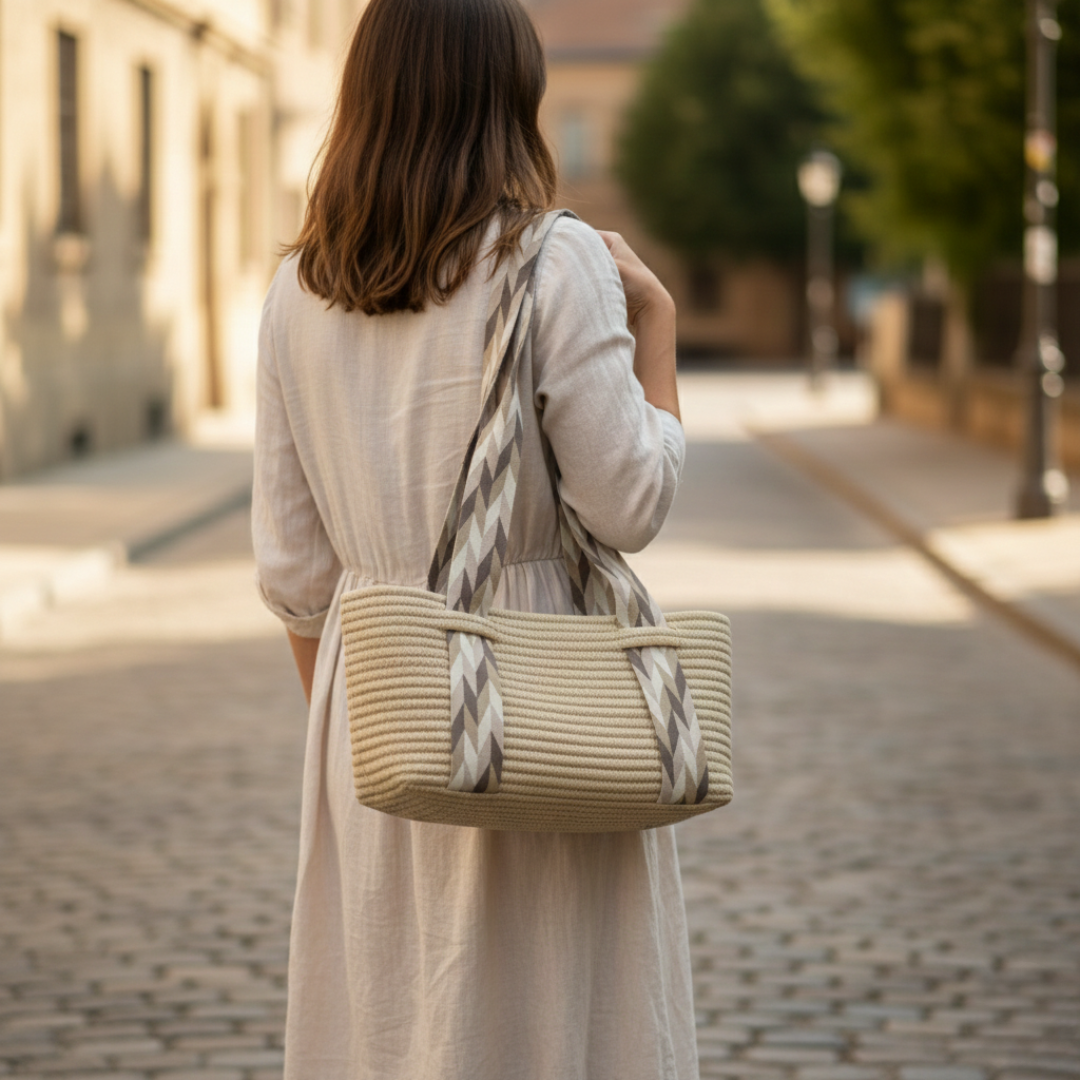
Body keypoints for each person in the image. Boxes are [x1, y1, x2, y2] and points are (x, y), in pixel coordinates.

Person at [251, 0, 697, 1076]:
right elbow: (629, 503)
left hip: (376, 712)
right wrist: (661, 335)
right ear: (512, 99)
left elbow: (296, 579)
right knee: (548, 1016)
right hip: (544, 712)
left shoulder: (293, 293)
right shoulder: (554, 265)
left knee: (394, 1017)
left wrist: (382, 722)